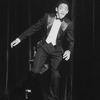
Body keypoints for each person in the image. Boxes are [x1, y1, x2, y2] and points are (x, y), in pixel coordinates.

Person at [11, 0, 74, 100]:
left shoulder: (69, 23)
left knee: (56, 75)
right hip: (44, 47)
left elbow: (71, 41)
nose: (63, 11)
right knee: (35, 71)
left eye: (65, 9)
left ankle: (53, 97)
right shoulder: (47, 16)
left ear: (67, 12)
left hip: (57, 50)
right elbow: (34, 27)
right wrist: (19, 38)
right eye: (61, 8)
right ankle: (30, 92)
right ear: (56, 9)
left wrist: (69, 51)